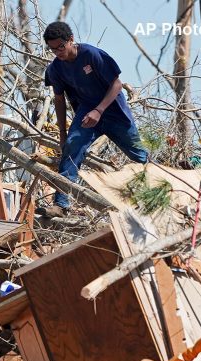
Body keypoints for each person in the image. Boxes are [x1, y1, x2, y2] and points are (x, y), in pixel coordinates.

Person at [40, 21, 148, 217]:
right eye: (53, 49)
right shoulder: (55, 69)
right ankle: (61, 204)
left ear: (71, 40)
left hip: (114, 112)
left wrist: (99, 110)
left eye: (61, 47)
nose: (58, 52)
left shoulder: (91, 54)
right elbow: (58, 99)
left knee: (140, 156)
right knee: (72, 146)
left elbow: (117, 85)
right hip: (87, 113)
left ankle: (157, 193)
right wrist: (63, 134)